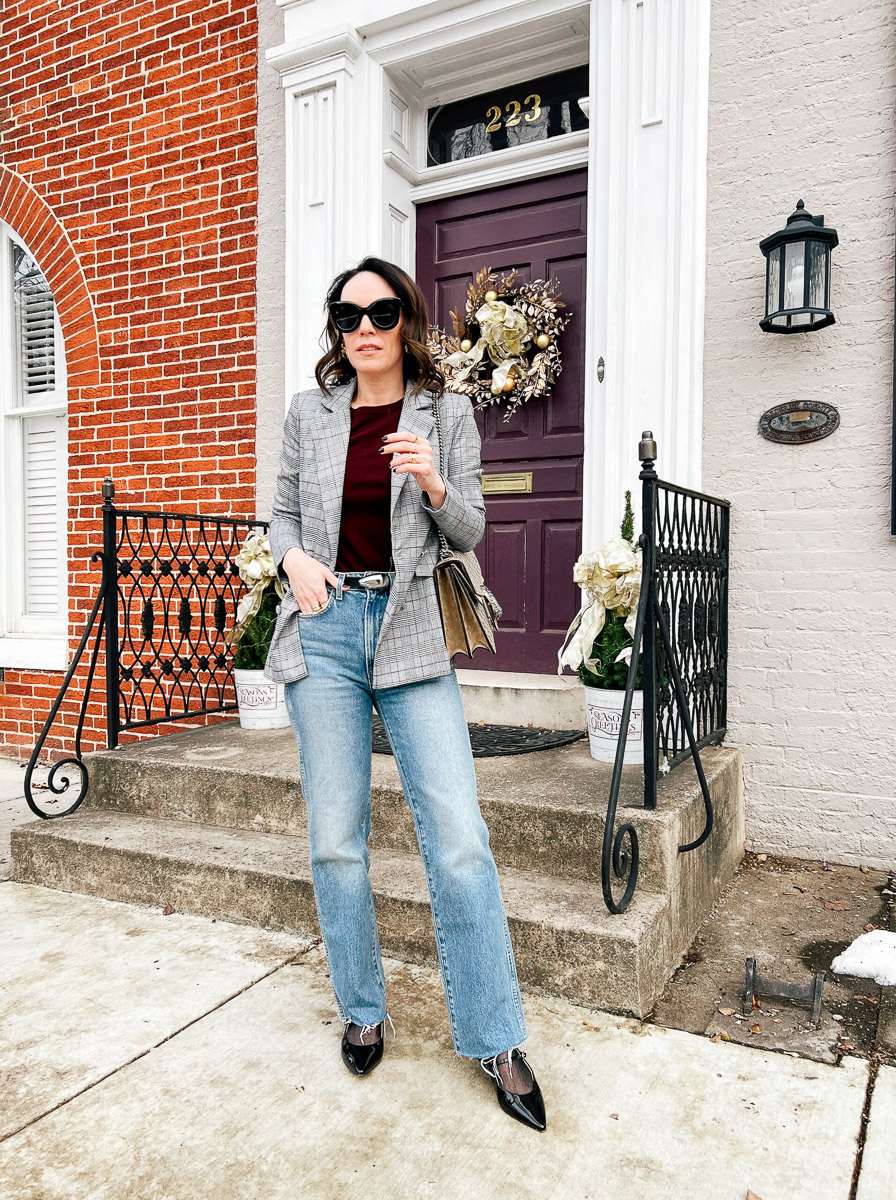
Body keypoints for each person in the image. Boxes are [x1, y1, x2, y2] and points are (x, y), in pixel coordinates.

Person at [262, 255, 546, 1131]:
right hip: (327, 626)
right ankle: (362, 1005)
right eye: (347, 316)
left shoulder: (446, 411)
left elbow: (470, 530)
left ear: (406, 321)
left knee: (458, 836)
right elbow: (277, 512)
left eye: (381, 313)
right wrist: (293, 559)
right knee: (336, 840)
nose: (365, 329)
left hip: (412, 626)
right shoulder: (310, 414)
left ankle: (495, 1034)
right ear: (336, 331)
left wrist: (432, 480)